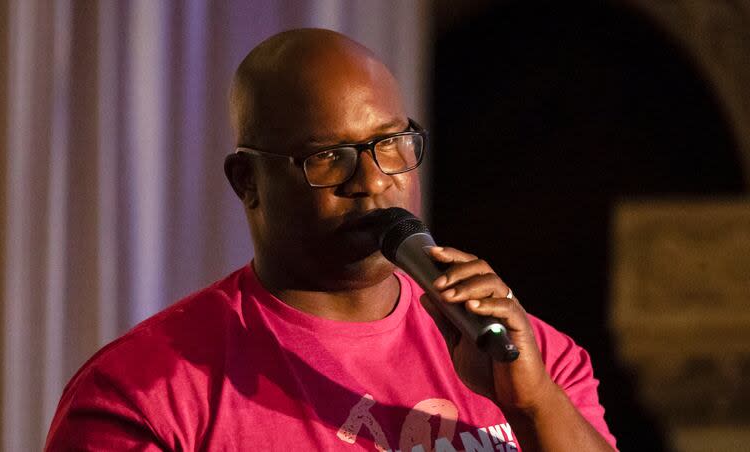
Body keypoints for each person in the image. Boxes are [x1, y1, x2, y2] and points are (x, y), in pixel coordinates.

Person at [45, 28, 617, 451]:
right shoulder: (145, 393)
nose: (372, 181)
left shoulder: (529, 356)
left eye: (391, 143)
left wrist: (532, 404)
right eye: (327, 157)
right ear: (248, 182)